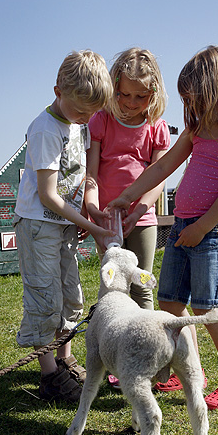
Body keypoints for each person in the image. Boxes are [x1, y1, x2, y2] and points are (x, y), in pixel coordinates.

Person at [109, 46, 218, 409]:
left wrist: (202, 227)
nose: (191, 105)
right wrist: (130, 196)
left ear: (217, 88)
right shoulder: (197, 128)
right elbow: (162, 167)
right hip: (185, 226)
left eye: (194, 97)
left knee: (207, 308)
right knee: (169, 304)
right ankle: (186, 371)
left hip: (212, 231)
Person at [14, 50, 113, 403]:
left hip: (64, 226)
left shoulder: (77, 124)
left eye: (91, 113)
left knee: (71, 296)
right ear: (57, 90)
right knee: (45, 299)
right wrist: (91, 225)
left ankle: (64, 358)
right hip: (40, 225)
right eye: (81, 110)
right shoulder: (45, 129)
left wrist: (89, 208)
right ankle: (49, 376)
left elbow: (82, 177)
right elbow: (48, 196)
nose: (86, 118)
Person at [84, 47, 171, 390]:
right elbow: (91, 173)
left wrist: (140, 209)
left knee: (143, 286)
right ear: (113, 86)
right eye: (124, 94)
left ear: (154, 93)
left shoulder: (156, 127)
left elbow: (159, 175)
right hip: (107, 217)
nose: (132, 102)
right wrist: (92, 207)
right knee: (112, 290)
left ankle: (149, 359)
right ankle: (114, 354)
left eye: (141, 96)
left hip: (143, 217)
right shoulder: (101, 120)